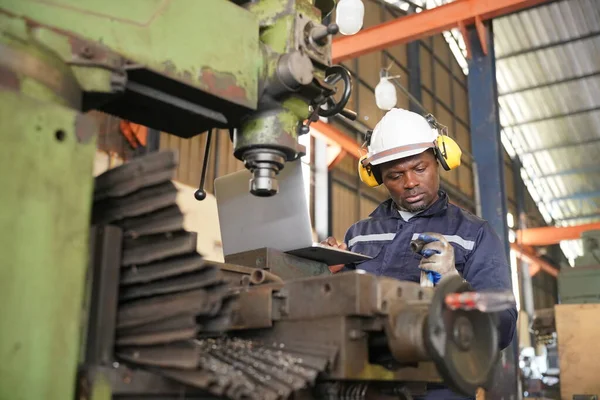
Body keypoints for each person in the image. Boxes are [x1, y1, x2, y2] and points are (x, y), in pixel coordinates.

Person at [321, 108, 517, 400]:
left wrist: (454, 284)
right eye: (395, 175)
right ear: (378, 178)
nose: (409, 182)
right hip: (365, 383)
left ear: (440, 160)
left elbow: (503, 325)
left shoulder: (474, 233)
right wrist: (327, 273)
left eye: (419, 168)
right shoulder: (359, 234)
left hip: (439, 386)